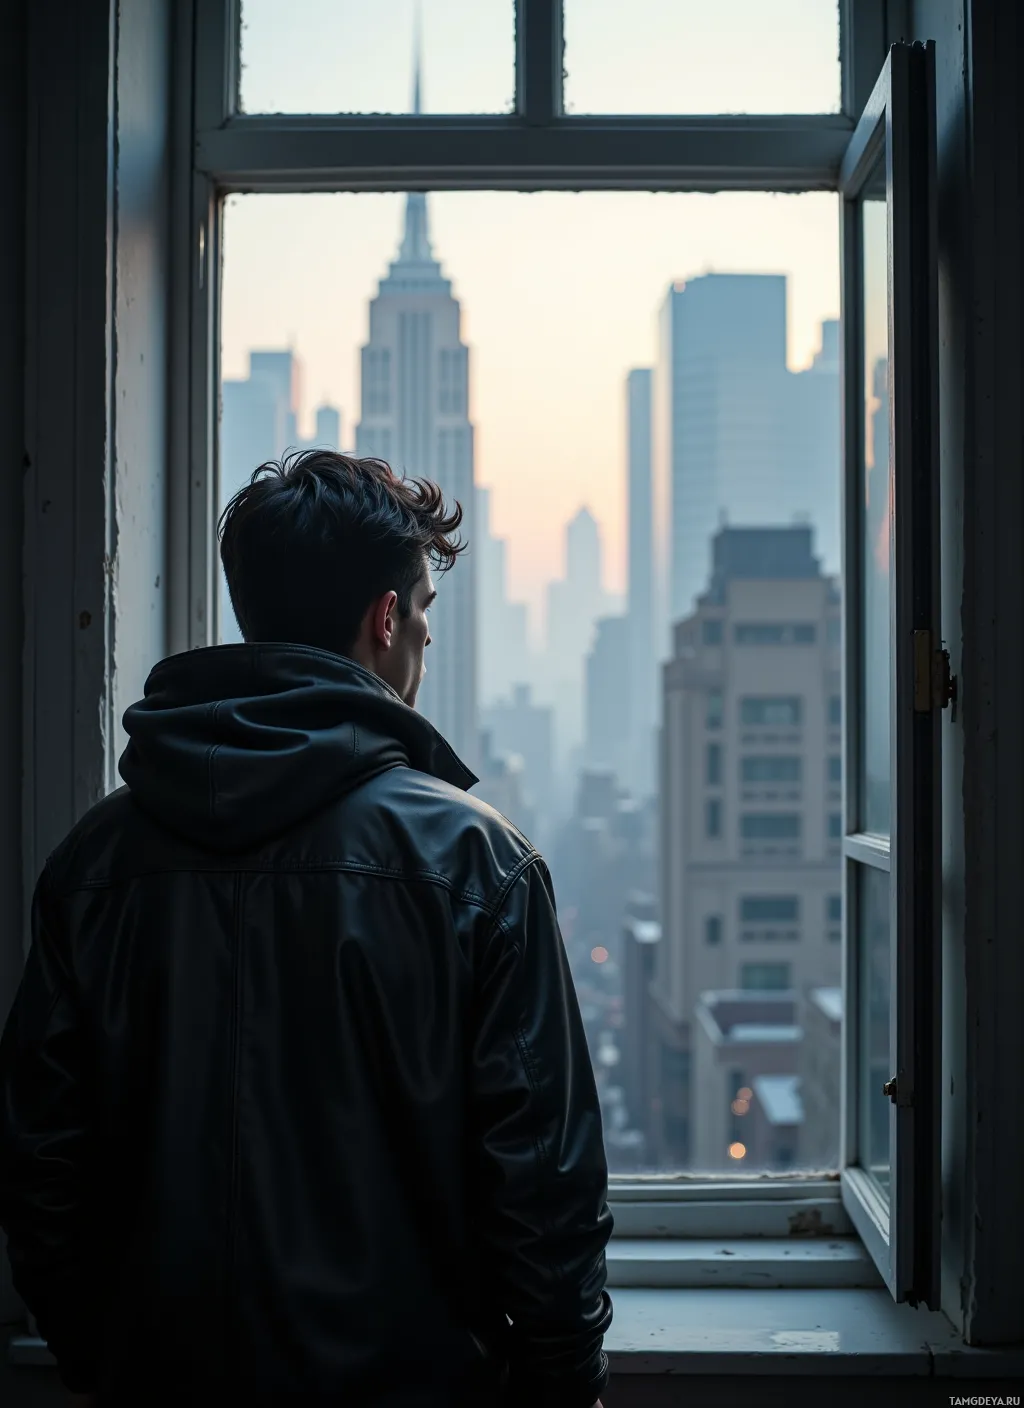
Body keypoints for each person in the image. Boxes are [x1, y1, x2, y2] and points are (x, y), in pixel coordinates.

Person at [0, 451, 612, 1406]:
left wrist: (106, 1361)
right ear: (385, 619)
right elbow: (544, 1199)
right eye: (421, 616)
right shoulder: (476, 867)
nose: (420, 642)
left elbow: (41, 1171)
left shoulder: (94, 865)